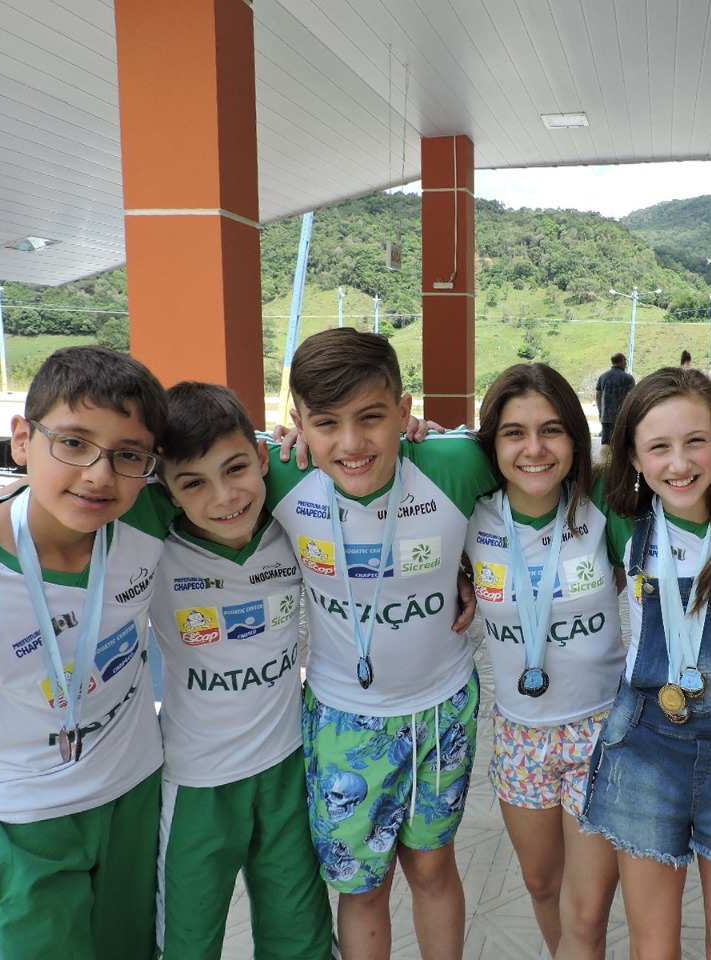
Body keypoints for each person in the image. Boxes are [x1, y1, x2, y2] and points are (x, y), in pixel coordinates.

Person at [0, 345, 173, 960]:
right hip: (21, 821)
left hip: (134, 794)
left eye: (127, 455)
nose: (99, 475)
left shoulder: (150, 514)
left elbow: (249, 457)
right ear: (22, 440)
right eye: (74, 443)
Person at [268, 327, 497, 960]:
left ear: (403, 410)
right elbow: (188, 471)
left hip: (442, 710)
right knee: (362, 886)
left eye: (372, 418)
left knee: (433, 868)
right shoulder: (278, 473)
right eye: (326, 423)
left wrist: (473, 566)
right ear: (298, 425)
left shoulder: (452, 464)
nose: (351, 443)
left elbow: (540, 470)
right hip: (343, 716)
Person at [581, 366, 711, 959]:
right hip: (646, 747)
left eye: (696, 441)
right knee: (653, 945)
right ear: (633, 456)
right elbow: (518, 467)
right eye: (658, 447)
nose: (679, 463)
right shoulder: (621, 517)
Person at [150, 382, 333, 959]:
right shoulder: (148, 546)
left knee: (300, 936)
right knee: (187, 941)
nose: (225, 497)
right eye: (193, 483)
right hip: (196, 782)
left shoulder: (292, 521)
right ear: (166, 490)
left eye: (235, 469)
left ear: (260, 457)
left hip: (288, 766)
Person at [468, 363, 624, 959]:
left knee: (586, 913)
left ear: (576, 440)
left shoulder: (603, 500)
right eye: (515, 433)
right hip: (519, 734)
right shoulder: (470, 512)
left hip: (600, 730)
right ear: (492, 442)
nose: (534, 449)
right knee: (541, 883)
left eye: (552, 430)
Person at [594, 353, 635, 445]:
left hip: (606, 417)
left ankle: (605, 455)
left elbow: (598, 396)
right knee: (621, 444)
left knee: (606, 444)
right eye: (625, 360)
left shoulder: (603, 377)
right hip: (623, 418)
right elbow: (633, 398)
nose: (626, 363)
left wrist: (600, 412)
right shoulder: (628, 378)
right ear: (622, 361)